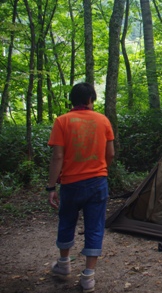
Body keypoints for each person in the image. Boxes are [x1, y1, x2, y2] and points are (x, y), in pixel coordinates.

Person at [46, 82, 115, 293]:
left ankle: (64, 264)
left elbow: (57, 156)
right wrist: (101, 170)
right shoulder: (103, 120)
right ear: (90, 100)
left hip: (70, 183)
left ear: (72, 100)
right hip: (97, 182)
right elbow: (110, 153)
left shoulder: (62, 121)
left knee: (66, 221)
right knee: (95, 226)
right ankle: (88, 277)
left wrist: (51, 187)